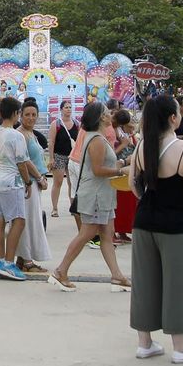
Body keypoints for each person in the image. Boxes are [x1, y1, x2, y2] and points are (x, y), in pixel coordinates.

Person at [130, 93, 183, 364]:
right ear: (173, 118)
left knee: (145, 282)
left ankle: (145, 342)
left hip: (143, 223)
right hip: (176, 225)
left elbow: (134, 186)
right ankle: (180, 347)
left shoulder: (141, 147)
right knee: (178, 284)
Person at [49, 102, 130, 292]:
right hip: (95, 195)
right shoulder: (97, 140)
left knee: (106, 235)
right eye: (107, 112)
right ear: (101, 118)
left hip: (102, 195)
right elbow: (98, 169)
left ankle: (117, 276)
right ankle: (61, 271)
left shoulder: (97, 137)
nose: (111, 114)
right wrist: (121, 169)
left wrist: (121, 163)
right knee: (87, 233)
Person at [0, 96, 33, 281]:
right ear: (16, 113)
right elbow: (21, 163)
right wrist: (28, 182)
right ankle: (9, 263)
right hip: (12, 183)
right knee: (18, 221)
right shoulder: (16, 136)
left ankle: (1, 260)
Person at [15, 100, 52, 273]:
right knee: (28, 222)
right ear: (20, 115)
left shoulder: (31, 134)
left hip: (34, 183)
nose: (31, 118)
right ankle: (27, 261)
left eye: (34, 115)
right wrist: (38, 178)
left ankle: (23, 259)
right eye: (27, 114)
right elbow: (25, 160)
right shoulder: (20, 134)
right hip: (26, 184)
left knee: (31, 220)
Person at [111, 108, 138, 243]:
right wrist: (125, 145)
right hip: (119, 169)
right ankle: (113, 232)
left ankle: (122, 231)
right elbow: (111, 154)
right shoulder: (112, 131)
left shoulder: (125, 133)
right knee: (119, 203)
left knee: (128, 203)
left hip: (128, 169)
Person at [49, 100, 78, 218]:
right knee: (58, 182)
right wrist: (51, 158)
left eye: (70, 107)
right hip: (59, 156)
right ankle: (54, 208)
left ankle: (73, 206)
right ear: (61, 109)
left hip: (72, 157)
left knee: (72, 182)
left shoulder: (76, 123)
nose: (68, 109)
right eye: (66, 107)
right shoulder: (56, 124)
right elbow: (51, 142)